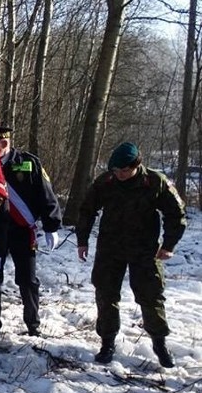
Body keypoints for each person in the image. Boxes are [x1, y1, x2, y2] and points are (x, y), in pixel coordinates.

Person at [76, 142, 186, 367]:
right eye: (115, 171)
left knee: (151, 296)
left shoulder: (155, 182)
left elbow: (176, 214)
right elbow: (87, 210)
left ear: (136, 165)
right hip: (110, 247)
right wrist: (82, 240)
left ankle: (159, 343)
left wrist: (169, 245)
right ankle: (107, 343)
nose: (119, 175)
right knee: (106, 295)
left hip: (145, 250)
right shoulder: (105, 182)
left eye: (124, 171)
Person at [0, 125, 62, 337]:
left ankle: (33, 324)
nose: (0, 147)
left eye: (3, 144)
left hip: (21, 230)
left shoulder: (28, 162)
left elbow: (46, 194)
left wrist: (51, 225)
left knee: (28, 280)